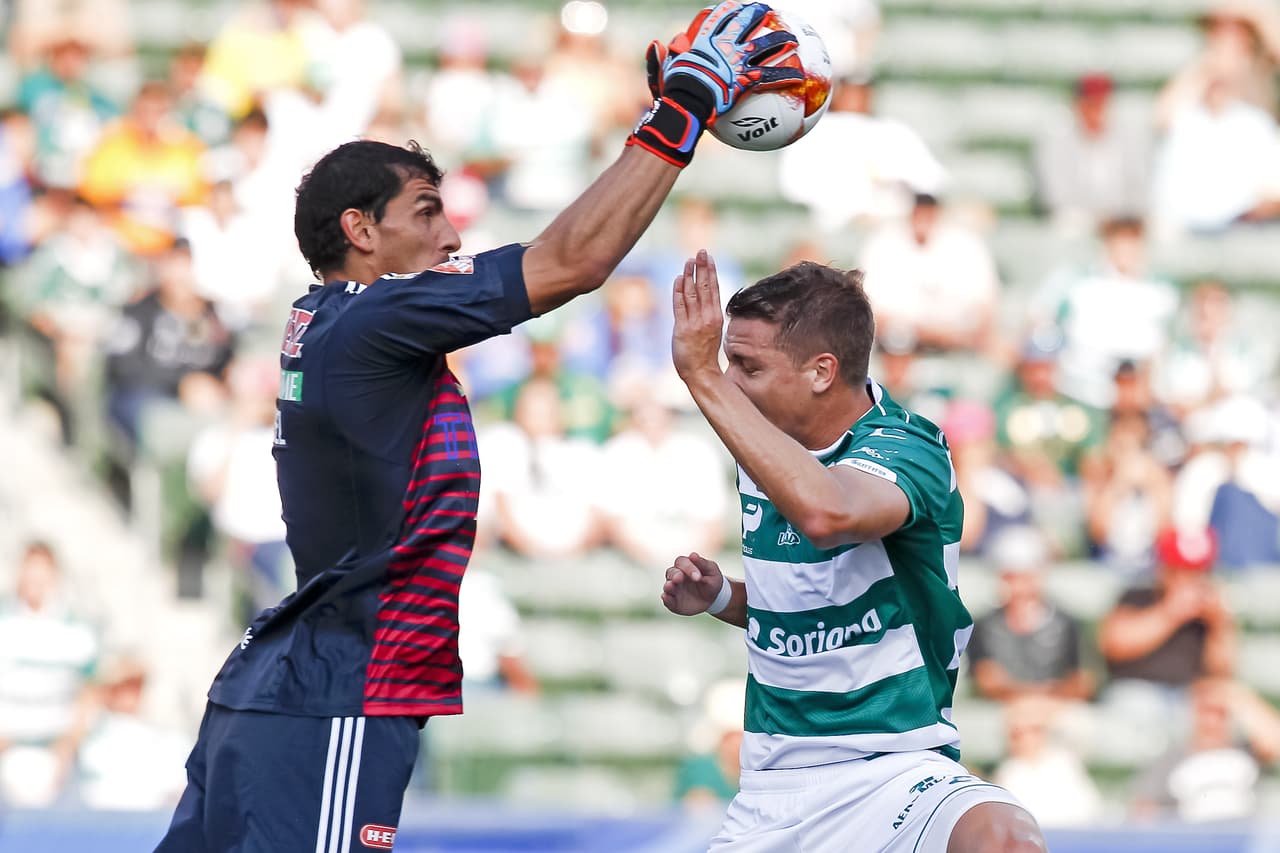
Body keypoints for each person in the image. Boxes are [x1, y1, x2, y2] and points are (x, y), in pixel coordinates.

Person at [154, 4, 804, 850]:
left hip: (284, 685)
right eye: (426, 211)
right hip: (340, 689)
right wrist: (681, 109)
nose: (450, 231)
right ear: (360, 230)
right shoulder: (376, 317)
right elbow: (573, 261)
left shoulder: (331, 320)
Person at [659, 255, 1045, 851]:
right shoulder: (762, 447)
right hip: (774, 785)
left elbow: (827, 516)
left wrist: (701, 376)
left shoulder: (908, 447)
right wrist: (720, 598)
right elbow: (810, 603)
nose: (731, 381)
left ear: (821, 371)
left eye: (748, 366)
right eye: (726, 364)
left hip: (897, 769)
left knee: (1003, 837)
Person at [966, 525, 1093, 704]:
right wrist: (1031, 696)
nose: (1019, 588)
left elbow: (1081, 682)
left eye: (1025, 578)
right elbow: (986, 680)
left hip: (1056, 708)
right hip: (1002, 710)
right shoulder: (984, 626)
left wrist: (1039, 701)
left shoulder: (1067, 623)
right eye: (1010, 578)